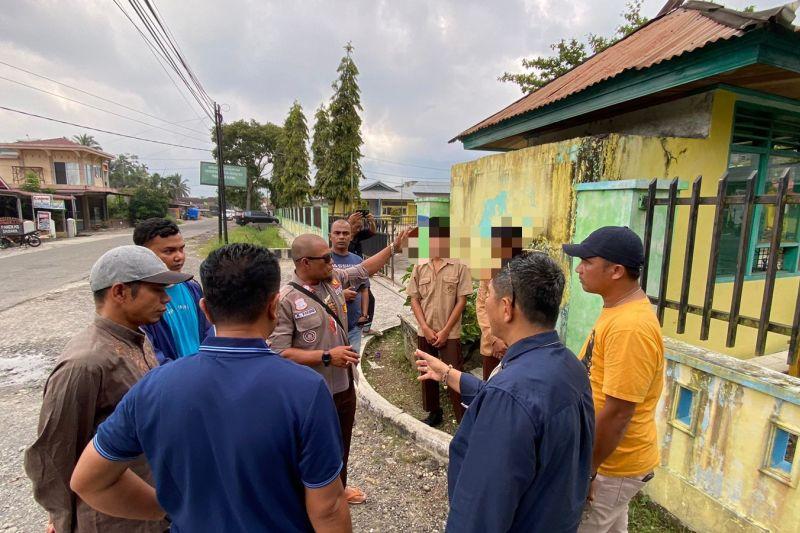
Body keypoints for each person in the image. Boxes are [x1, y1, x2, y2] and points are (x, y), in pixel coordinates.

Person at [70, 244, 352, 532]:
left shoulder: (154, 385)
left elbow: (88, 481)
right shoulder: (305, 390)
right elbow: (327, 507)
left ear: (204, 309)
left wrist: (169, 509)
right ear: (273, 306)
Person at [416, 252, 595, 532]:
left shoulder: (510, 395)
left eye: (488, 296)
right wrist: (449, 374)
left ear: (507, 307)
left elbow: (480, 511)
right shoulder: (570, 366)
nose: (484, 303)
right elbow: (524, 408)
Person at [25, 245, 191, 533]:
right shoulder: (86, 362)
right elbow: (54, 452)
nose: (166, 298)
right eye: (156, 290)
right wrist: (62, 518)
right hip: (113, 520)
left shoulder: (138, 340)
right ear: (120, 292)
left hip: (151, 509)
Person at [269, 228, 412, 505]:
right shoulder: (286, 300)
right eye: (325, 258)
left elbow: (363, 269)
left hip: (344, 384)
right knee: (311, 448)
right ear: (304, 263)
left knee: (342, 442)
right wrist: (325, 356)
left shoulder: (333, 280)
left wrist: (394, 247)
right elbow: (279, 353)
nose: (331, 262)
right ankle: (309, 497)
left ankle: (339, 488)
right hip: (312, 394)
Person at [563, 226, 665, 533]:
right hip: (609, 463)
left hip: (611, 466)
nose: (579, 269)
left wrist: (588, 470)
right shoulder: (618, 310)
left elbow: (620, 411)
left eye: (587, 262)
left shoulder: (629, 328)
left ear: (616, 271)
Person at [406, 218, 472, 426]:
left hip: (449, 333)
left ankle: (462, 418)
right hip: (424, 331)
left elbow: (461, 301)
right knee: (427, 372)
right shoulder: (420, 266)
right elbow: (414, 299)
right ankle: (434, 412)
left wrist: (444, 331)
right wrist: (425, 328)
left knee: (453, 374)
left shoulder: (459, 266)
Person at [133, 217, 213, 363]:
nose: (179, 257)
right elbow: (150, 354)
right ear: (143, 254)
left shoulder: (192, 288)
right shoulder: (138, 300)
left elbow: (208, 331)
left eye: (181, 249)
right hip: (170, 380)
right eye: (169, 251)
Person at [475, 225, 525, 379]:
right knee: (489, 388)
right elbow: (481, 306)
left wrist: (508, 341)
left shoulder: (524, 273)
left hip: (516, 345)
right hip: (491, 346)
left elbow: (524, 311)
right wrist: (494, 339)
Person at [330, 219, 370, 353]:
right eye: (337, 233)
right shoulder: (324, 259)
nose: (341, 236)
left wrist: (364, 315)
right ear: (330, 236)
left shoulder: (358, 260)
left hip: (354, 326)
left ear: (351, 236)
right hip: (331, 328)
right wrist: (341, 295)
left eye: (345, 233)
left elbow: (365, 289)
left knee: (353, 363)